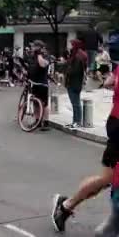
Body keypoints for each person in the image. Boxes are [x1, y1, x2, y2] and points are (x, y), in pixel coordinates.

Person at [52, 63, 119, 233]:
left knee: (108, 180)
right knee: (107, 179)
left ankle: (66, 205)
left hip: (115, 122)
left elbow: (109, 82)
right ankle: (66, 205)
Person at [64, 39, 88, 129]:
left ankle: (77, 122)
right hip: (75, 82)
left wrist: (67, 68)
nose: (70, 46)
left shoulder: (77, 56)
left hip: (74, 82)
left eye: (71, 44)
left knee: (76, 103)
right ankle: (75, 121)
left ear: (75, 45)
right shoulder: (78, 54)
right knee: (75, 103)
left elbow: (75, 70)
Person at [28, 40, 51, 131]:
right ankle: (37, 120)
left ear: (39, 47)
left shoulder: (45, 56)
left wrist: (39, 55)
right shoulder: (32, 56)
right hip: (33, 83)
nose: (32, 48)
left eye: (33, 46)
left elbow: (42, 65)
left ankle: (46, 122)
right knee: (35, 103)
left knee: (44, 104)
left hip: (42, 83)